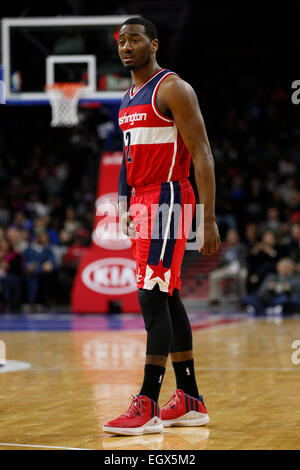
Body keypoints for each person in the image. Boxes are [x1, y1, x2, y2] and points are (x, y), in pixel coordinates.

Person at [103, 17, 220, 436]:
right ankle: (189, 398)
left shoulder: (172, 88)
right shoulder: (127, 96)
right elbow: (129, 153)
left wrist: (207, 218)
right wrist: (123, 201)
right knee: (166, 297)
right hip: (143, 202)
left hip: (170, 197)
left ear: (153, 44)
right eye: (121, 41)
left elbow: (203, 154)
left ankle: (147, 404)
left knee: (151, 299)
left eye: (134, 39)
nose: (126, 46)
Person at [208, 228, 248, 305]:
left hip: (240, 268)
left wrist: (241, 267)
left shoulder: (242, 247)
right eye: (230, 236)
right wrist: (223, 267)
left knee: (244, 275)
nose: (231, 237)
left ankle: (244, 298)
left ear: (237, 237)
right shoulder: (226, 250)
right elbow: (221, 263)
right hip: (228, 269)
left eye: (233, 235)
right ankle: (215, 298)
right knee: (213, 275)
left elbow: (245, 259)